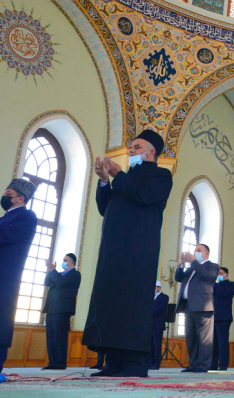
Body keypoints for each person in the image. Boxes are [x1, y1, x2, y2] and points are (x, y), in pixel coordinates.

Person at [83, 129, 173, 378]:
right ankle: (113, 362)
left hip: (139, 251)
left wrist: (117, 174)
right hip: (113, 251)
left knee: (133, 305)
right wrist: (104, 180)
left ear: (150, 152)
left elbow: (143, 196)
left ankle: (135, 363)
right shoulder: (126, 178)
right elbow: (106, 207)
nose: (131, 151)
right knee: (112, 303)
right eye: (131, 147)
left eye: (136, 147)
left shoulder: (161, 176)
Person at [0, 179, 37, 382]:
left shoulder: (27, 216)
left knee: (0, 318)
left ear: (20, 198)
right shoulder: (5, 218)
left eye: (8, 193)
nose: (4, 197)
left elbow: (7, 236)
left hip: (6, 275)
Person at [175, 244, 220, 373]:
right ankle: (193, 364)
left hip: (203, 307)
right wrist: (182, 264)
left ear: (207, 253)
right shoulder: (191, 268)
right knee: (191, 338)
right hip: (189, 307)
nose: (195, 252)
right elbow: (178, 278)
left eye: (198, 250)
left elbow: (207, 276)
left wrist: (193, 261)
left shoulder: (212, 266)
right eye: (195, 250)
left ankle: (203, 366)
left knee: (204, 339)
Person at [42, 253, 81, 370]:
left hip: (62, 310)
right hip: (51, 309)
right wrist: (50, 270)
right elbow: (47, 283)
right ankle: (52, 362)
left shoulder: (75, 275)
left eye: (65, 260)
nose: (63, 262)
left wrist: (53, 270)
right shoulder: (58, 274)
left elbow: (63, 284)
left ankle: (60, 363)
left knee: (60, 337)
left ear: (72, 262)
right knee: (51, 337)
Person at [211, 267, 234, 371]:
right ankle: (212, 365)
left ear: (227, 275)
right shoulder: (215, 286)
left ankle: (223, 365)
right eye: (218, 273)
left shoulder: (231, 285)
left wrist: (215, 285)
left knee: (222, 343)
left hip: (224, 317)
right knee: (213, 343)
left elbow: (223, 294)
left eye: (221, 273)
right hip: (213, 317)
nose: (219, 275)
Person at [151, 281, 169, 370]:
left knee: (157, 345)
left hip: (158, 324)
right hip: (150, 324)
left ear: (159, 287)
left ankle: (156, 364)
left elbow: (161, 309)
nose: (155, 289)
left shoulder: (164, 297)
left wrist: (149, 314)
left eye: (156, 287)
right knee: (151, 345)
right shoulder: (151, 297)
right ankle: (150, 363)